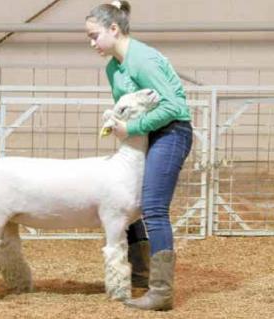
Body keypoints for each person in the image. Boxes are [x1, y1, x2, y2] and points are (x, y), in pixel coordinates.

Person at [85, 0, 193, 311]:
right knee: (126, 198)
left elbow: (174, 106)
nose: (92, 43)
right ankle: (142, 275)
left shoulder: (142, 59)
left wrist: (132, 126)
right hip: (143, 137)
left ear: (114, 29)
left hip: (171, 133)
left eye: (94, 36)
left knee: (154, 207)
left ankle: (161, 292)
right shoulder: (114, 68)